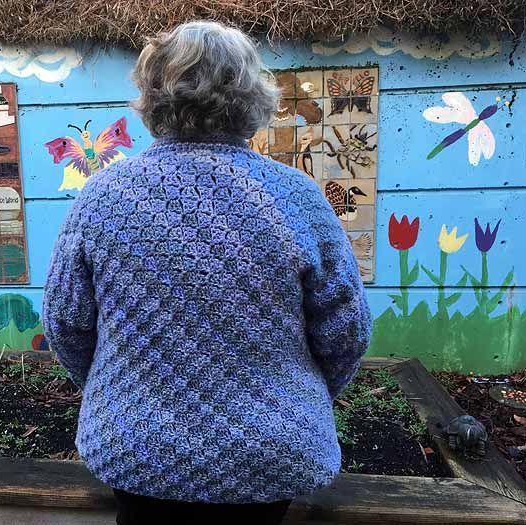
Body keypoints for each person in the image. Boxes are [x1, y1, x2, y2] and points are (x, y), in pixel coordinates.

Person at [43, 20, 372, 525]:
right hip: (270, 450)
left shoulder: (102, 198)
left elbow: (66, 324)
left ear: (153, 95)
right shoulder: (298, 198)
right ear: (253, 96)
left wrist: (123, 392)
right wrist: (292, 400)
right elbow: (346, 331)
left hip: (139, 447)